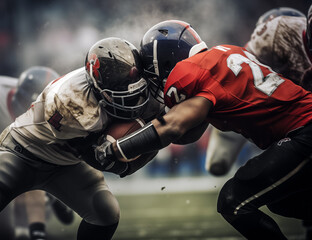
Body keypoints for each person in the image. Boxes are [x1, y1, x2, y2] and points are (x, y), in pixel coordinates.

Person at [94, 20, 312, 239]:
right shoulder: (227, 53)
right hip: (302, 128)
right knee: (282, 202)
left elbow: (173, 126)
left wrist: (114, 150)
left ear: (164, 61)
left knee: (232, 202)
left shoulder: (190, 71)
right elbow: (192, 132)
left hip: (305, 131)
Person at [0, 37, 162, 240]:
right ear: (98, 87)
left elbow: (161, 132)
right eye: (123, 90)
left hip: (65, 163)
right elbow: (98, 158)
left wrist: (151, 140)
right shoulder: (68, 101)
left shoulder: (126, 80)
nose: (133, 96)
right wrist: (127, 156)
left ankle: (57, 204)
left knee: (105, 213)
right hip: (23, 151)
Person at [0, 66, 73, 240]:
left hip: (3, 156)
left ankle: (52, 203)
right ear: (18, 95)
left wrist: (37, 233)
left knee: (3, 232)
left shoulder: (54, 117)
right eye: (31, 107)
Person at [205, 7, 310, 177]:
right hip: (255, 104)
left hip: (294, 118)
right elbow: (238, 64)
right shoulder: (278, 34)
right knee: (218, 164)